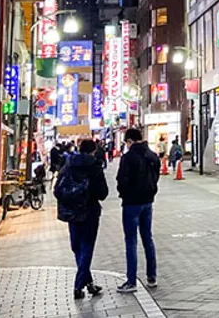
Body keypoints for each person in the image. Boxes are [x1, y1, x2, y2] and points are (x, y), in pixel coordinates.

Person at [54, 139, 109, 299]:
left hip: (72, 212)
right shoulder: (95, 167)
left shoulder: (68, 164)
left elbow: (58, 189)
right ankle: (78, 286)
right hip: (90, 212)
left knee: (77, 247)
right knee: (87, 247)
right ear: (93, 151)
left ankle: (89, 283)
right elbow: (103, 193)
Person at [116, 127, 160, 293]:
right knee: (147, 238)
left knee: (131, 241)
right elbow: (156, 177)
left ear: (129, 141)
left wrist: (124, 193)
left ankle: (131, 281)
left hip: (131, 203)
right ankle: (152, 277)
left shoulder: (128, 158)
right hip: (148, 201)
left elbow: (122, 180)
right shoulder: (152, 156)